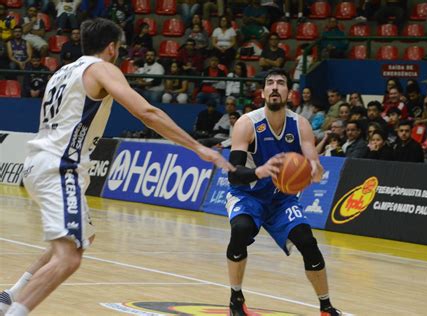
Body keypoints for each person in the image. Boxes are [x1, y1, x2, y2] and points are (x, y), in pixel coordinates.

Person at [0, 18, 233, 316]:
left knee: (83, 236)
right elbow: (146, 112)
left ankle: (11, 295)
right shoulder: (101, 68)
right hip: (60, 166)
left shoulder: (63, 71)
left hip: (39, 160)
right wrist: (198, 147)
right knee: (69, 257)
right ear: (112, 47)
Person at [225, 68, 341, 316]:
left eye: (280, 83)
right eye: (270, 83)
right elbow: (233, 173)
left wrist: (315, 170)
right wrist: (261, 171)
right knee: (241, 230)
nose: (275, 87)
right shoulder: (247, 124)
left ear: (290, 92)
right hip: (248, 195)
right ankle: (236, 299)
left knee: (308, 242)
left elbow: (312, 163)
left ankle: (326, 307)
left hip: (281, 199)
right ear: (263, 91)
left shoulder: (301, 125)